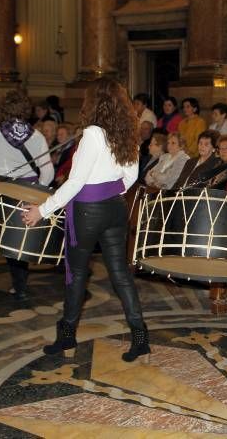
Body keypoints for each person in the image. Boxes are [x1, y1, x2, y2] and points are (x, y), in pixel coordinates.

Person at [21, 77, 149, 362]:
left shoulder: (92, 133)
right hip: (116, 208)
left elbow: (76, 182)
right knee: (120, 274)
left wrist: (41, 210)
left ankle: (66, 339)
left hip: (88, 211)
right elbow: (130, 178)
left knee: (76, 274)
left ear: (94, 102)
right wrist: (109, 190)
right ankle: (140, 338)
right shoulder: (128, 131)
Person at [0, 90, 55, 300]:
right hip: (29, 191)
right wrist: (37, 191)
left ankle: (18, 285)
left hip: (2, 191)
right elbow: (48, 171)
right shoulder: (37, 135)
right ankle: (19, 285)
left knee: (6, 239)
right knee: (19, 240)